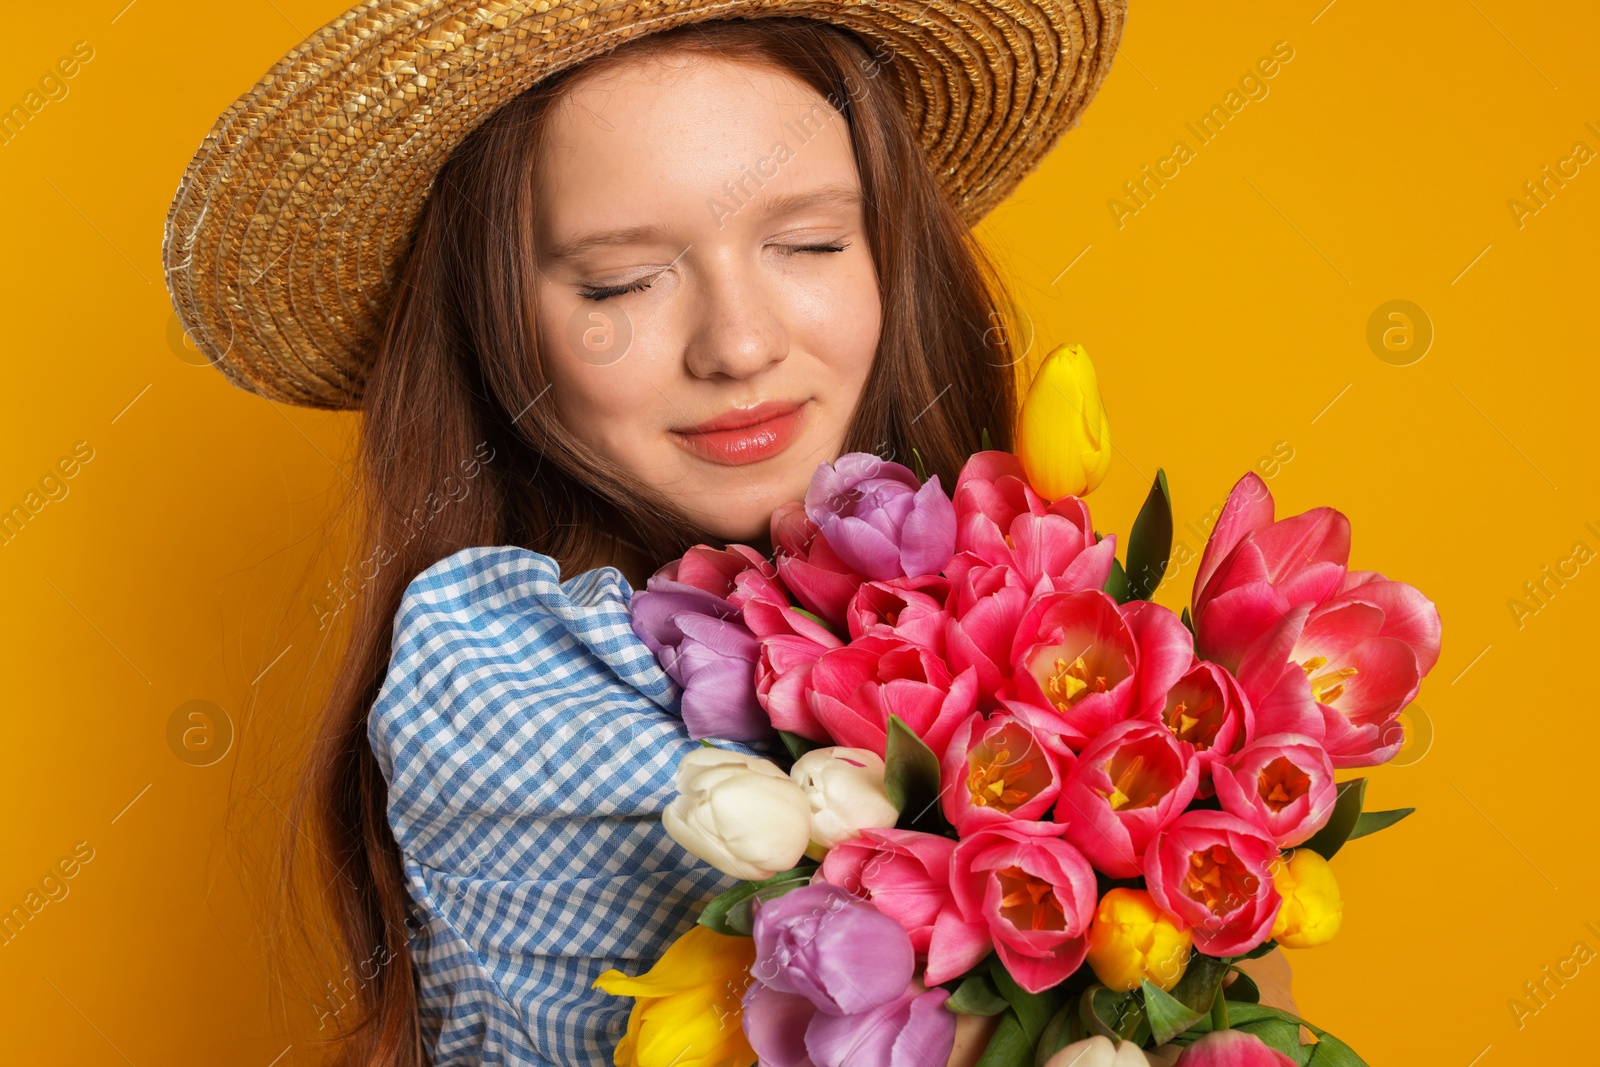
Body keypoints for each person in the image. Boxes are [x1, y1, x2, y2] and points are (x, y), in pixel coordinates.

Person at [163, 1, 1294, 1063]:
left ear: (892, 253)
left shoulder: (1011, 607)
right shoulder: (496, 673)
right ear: (498, 327)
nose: (739, 345)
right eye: (619, 282)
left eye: (807, 244)